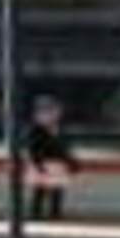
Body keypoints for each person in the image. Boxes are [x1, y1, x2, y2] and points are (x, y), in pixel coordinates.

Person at [25, 94, 79, 223]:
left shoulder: (60, 128)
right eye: (51, 112)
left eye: (56, 112)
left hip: (57, 163)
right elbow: (33, 148)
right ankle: (36, 213)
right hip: (43, 162)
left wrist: (70, 161)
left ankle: (55, 213)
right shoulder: (36, 129)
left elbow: (65, 146)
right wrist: (38, 163)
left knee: (57, 190)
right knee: (40, 189)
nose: (55, 115)